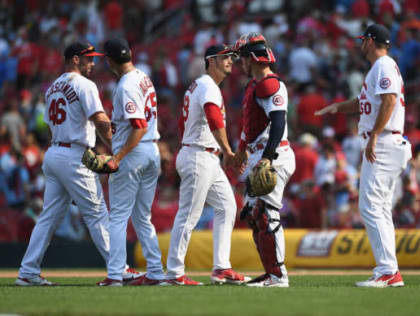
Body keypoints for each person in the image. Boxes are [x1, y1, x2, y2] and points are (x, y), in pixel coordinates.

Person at [15, 42, 141, 286]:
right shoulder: (84, 84)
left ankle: (28, 271)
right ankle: (120, 268)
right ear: (74, 59)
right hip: (75, 155)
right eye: (88, 58)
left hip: (54, 153)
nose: (92, 63)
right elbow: (101, 121)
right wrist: (118, 151)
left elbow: (51, 122)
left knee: (48, 218)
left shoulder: (52, 88)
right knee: (97, 215)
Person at [316, 24, 412, 287]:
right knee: (379, 208)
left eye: (363, 40)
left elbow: (390, 99)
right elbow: (365, 103)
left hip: (384, 140)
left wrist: (375, 135)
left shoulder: (383, 65)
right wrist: (339, 107)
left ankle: (388, 271)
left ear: (370, 41)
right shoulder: (378, 68)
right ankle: (388, 270)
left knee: (369, 207)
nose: (360, 44)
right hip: (386, 140)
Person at [165, 44, 249, 286]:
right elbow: (213, 118)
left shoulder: (203, 86)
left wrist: (221, 154)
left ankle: (221, 268)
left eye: (232, 57)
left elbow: (190, 124)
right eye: (225, 57)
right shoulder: (207, 85)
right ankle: (174, 272)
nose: (231, 61)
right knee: (188, 215)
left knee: (227, 205)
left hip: (205, 155)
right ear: (211, 60)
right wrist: (229, 152)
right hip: (198, 156)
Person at [96, 38, 166, 286]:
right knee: (142, 217)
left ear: (109, 60)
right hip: (151, 152)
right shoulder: (143, 76)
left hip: (134, 153)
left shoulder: (125, 85)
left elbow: (138, 126)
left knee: (118, 216)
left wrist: (117, 157)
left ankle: (115, 274)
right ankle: (156, 272)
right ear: (131, 54)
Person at [233, 33, 296, 288]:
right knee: (252, 214)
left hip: (275, 153)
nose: (240, 64)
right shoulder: (254, 86)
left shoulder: (270, 84)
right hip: (258, 154)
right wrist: (241, 153)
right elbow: (250, 128)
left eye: (242, 59)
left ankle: (278, 275)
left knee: (266, 213)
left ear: (252, 58)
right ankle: (270, 272)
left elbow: (278, 121)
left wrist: (267, 158)